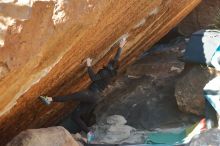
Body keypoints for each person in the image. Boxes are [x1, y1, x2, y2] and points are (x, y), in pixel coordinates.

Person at [39, 38, 127, 135]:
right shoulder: (112, 73)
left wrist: (88, 65)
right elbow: (116, 59)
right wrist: (120, 47)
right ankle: (90, 134)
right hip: (95, 98)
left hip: (91, 94)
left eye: (109, 62)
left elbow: (93, 78)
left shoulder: (105, 72)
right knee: (75, 116)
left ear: (110, 65)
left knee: (72, 96)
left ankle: (50, 99)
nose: (109, 61)